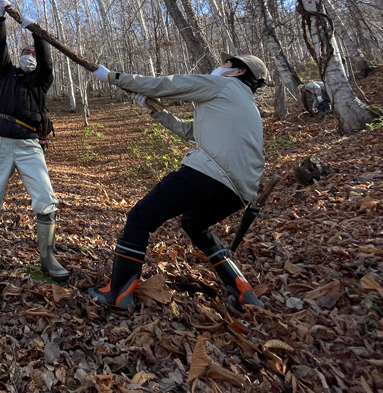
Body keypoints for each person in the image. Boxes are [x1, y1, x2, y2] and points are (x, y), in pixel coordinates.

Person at [88, 52, 268, 310]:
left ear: (239, 72)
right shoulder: (241, 103)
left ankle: (118, 293)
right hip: (239, 192)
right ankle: (241, 289)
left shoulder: (225, 85)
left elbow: (169, 84)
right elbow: (191, 132)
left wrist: (112, 77)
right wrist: (154, 110)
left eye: (226, 64)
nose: (220, 67)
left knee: (141, 217)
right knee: (194, 224)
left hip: (209, 174)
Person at [0, 0, 68, 280]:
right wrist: (0, 18)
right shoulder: (8, 74)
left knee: (45, 197)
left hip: (28, 144)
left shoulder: (40, 81)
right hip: (0, 141)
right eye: (25, 52)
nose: (29, 56)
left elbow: (46, 61)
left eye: (32, 53)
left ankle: (48, 258)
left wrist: (37, 35)